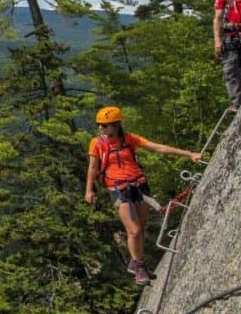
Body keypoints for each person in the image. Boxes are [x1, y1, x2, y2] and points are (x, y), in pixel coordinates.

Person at [84, 106, 204, 285]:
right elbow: (93, 167)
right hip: (118, 189)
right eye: (99, 124)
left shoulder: (130, 139)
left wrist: (188, 154)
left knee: (141, 228)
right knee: (134, 230)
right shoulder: (97, 143)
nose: (100, 128)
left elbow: (159, 148)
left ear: (115, 125)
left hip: (140, 185)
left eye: (104, 125)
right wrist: (89, 190)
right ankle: (138, 266)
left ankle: (138, 263)